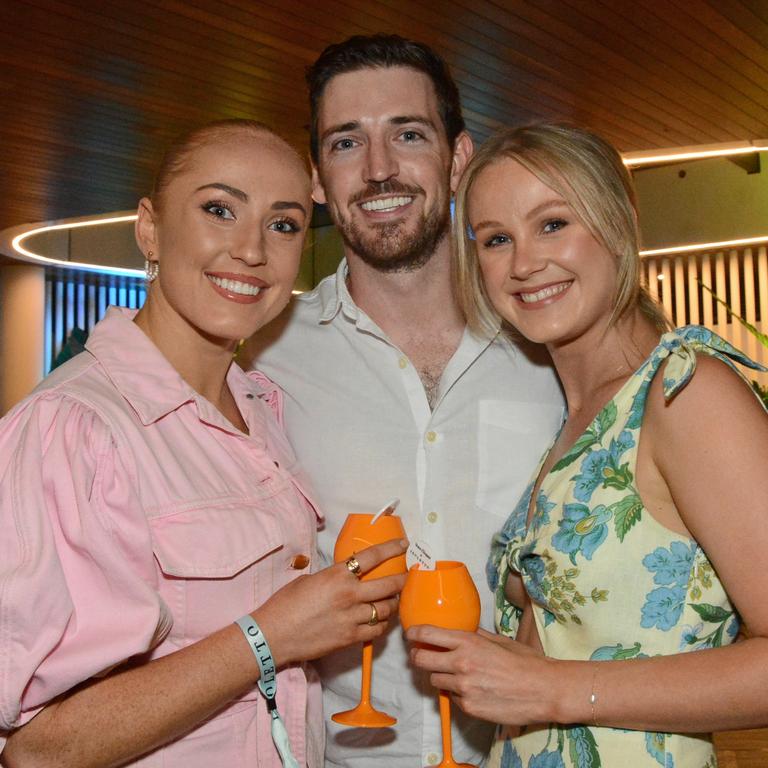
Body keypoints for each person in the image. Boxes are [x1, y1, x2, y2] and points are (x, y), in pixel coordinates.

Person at [0, 119, 406, 768]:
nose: (252, 250)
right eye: (220, 210)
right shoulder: (74, 428)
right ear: (150, 228)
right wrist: (270, 636)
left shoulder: (261, 410)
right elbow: (39, 748)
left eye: (283, 224)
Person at [245, 36, 564, 768]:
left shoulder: (552, 347)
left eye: (408, 134)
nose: (380, 169)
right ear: (318, 178)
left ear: (457, 159)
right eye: (347, 142)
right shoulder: (263, 364)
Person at [405, 123, 768, 767]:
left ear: (621, 221)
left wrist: (551, 689)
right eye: (496, 240)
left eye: (552, 224)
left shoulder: (684, 393)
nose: (523, 264)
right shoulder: (574, 415)